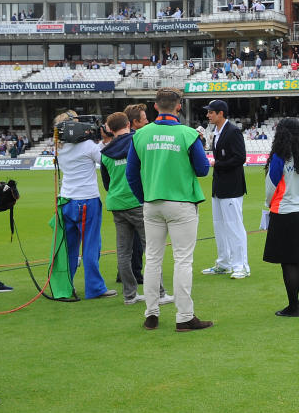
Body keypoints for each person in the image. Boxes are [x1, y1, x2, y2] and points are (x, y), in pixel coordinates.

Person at [126, 88, 213, 332]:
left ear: (155, 107)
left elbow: (131, 174)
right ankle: (184, 316)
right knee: (183, 260)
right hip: (181, 203)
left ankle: (151, 314)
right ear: (179, 106)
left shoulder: (140, 135)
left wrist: (145, 198)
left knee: (152, 258)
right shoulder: (187, 134)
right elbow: (203, 169)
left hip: (152, 203)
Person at [100, 112, 173, 307]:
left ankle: (130, 295)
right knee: (152, 249)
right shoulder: (138, 140)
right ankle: (159, 293)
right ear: (128, 123)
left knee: (123, 252)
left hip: (116, 203)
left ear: (110, 129)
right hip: (138, 202)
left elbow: (107, 184)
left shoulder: (105, 152)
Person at [54, 111, 115, 299]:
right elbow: (106, 160)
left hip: (66, 201)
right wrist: (107, 140)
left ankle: (65, 286)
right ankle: (95, 288)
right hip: (86, 200)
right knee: (90, 246)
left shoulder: (59, 146)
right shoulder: (88, 146)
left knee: (69, 248)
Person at [262, 118, 299, 317]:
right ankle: (296, 301)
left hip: (283, 211)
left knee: (288, 261)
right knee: (296, 259)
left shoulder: (279, 157)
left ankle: (292, 307)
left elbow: (271, 187)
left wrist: (268, 205)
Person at [201, 100, 249, 278]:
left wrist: (217, 164)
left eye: (211, 112)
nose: (208, 115)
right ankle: (224, 263)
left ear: (220, 113)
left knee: (234, 226)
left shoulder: (233, 131)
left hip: (232, 187)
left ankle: (241, 266)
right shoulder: (216, 132)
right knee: (219, 226)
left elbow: (240, 157)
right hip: (219, 187)